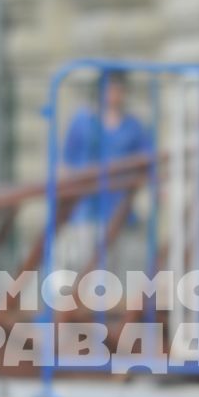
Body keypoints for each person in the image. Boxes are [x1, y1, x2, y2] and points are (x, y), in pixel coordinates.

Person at [55, 70, 154, 278]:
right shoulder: (84, 122)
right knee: (84, 272)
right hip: (85, 211)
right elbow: (66, 163)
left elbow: (147, 164)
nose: (114, 93)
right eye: (109, 88)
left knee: (116, 275)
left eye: (118, 88)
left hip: (119, 211)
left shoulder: (132, 126)